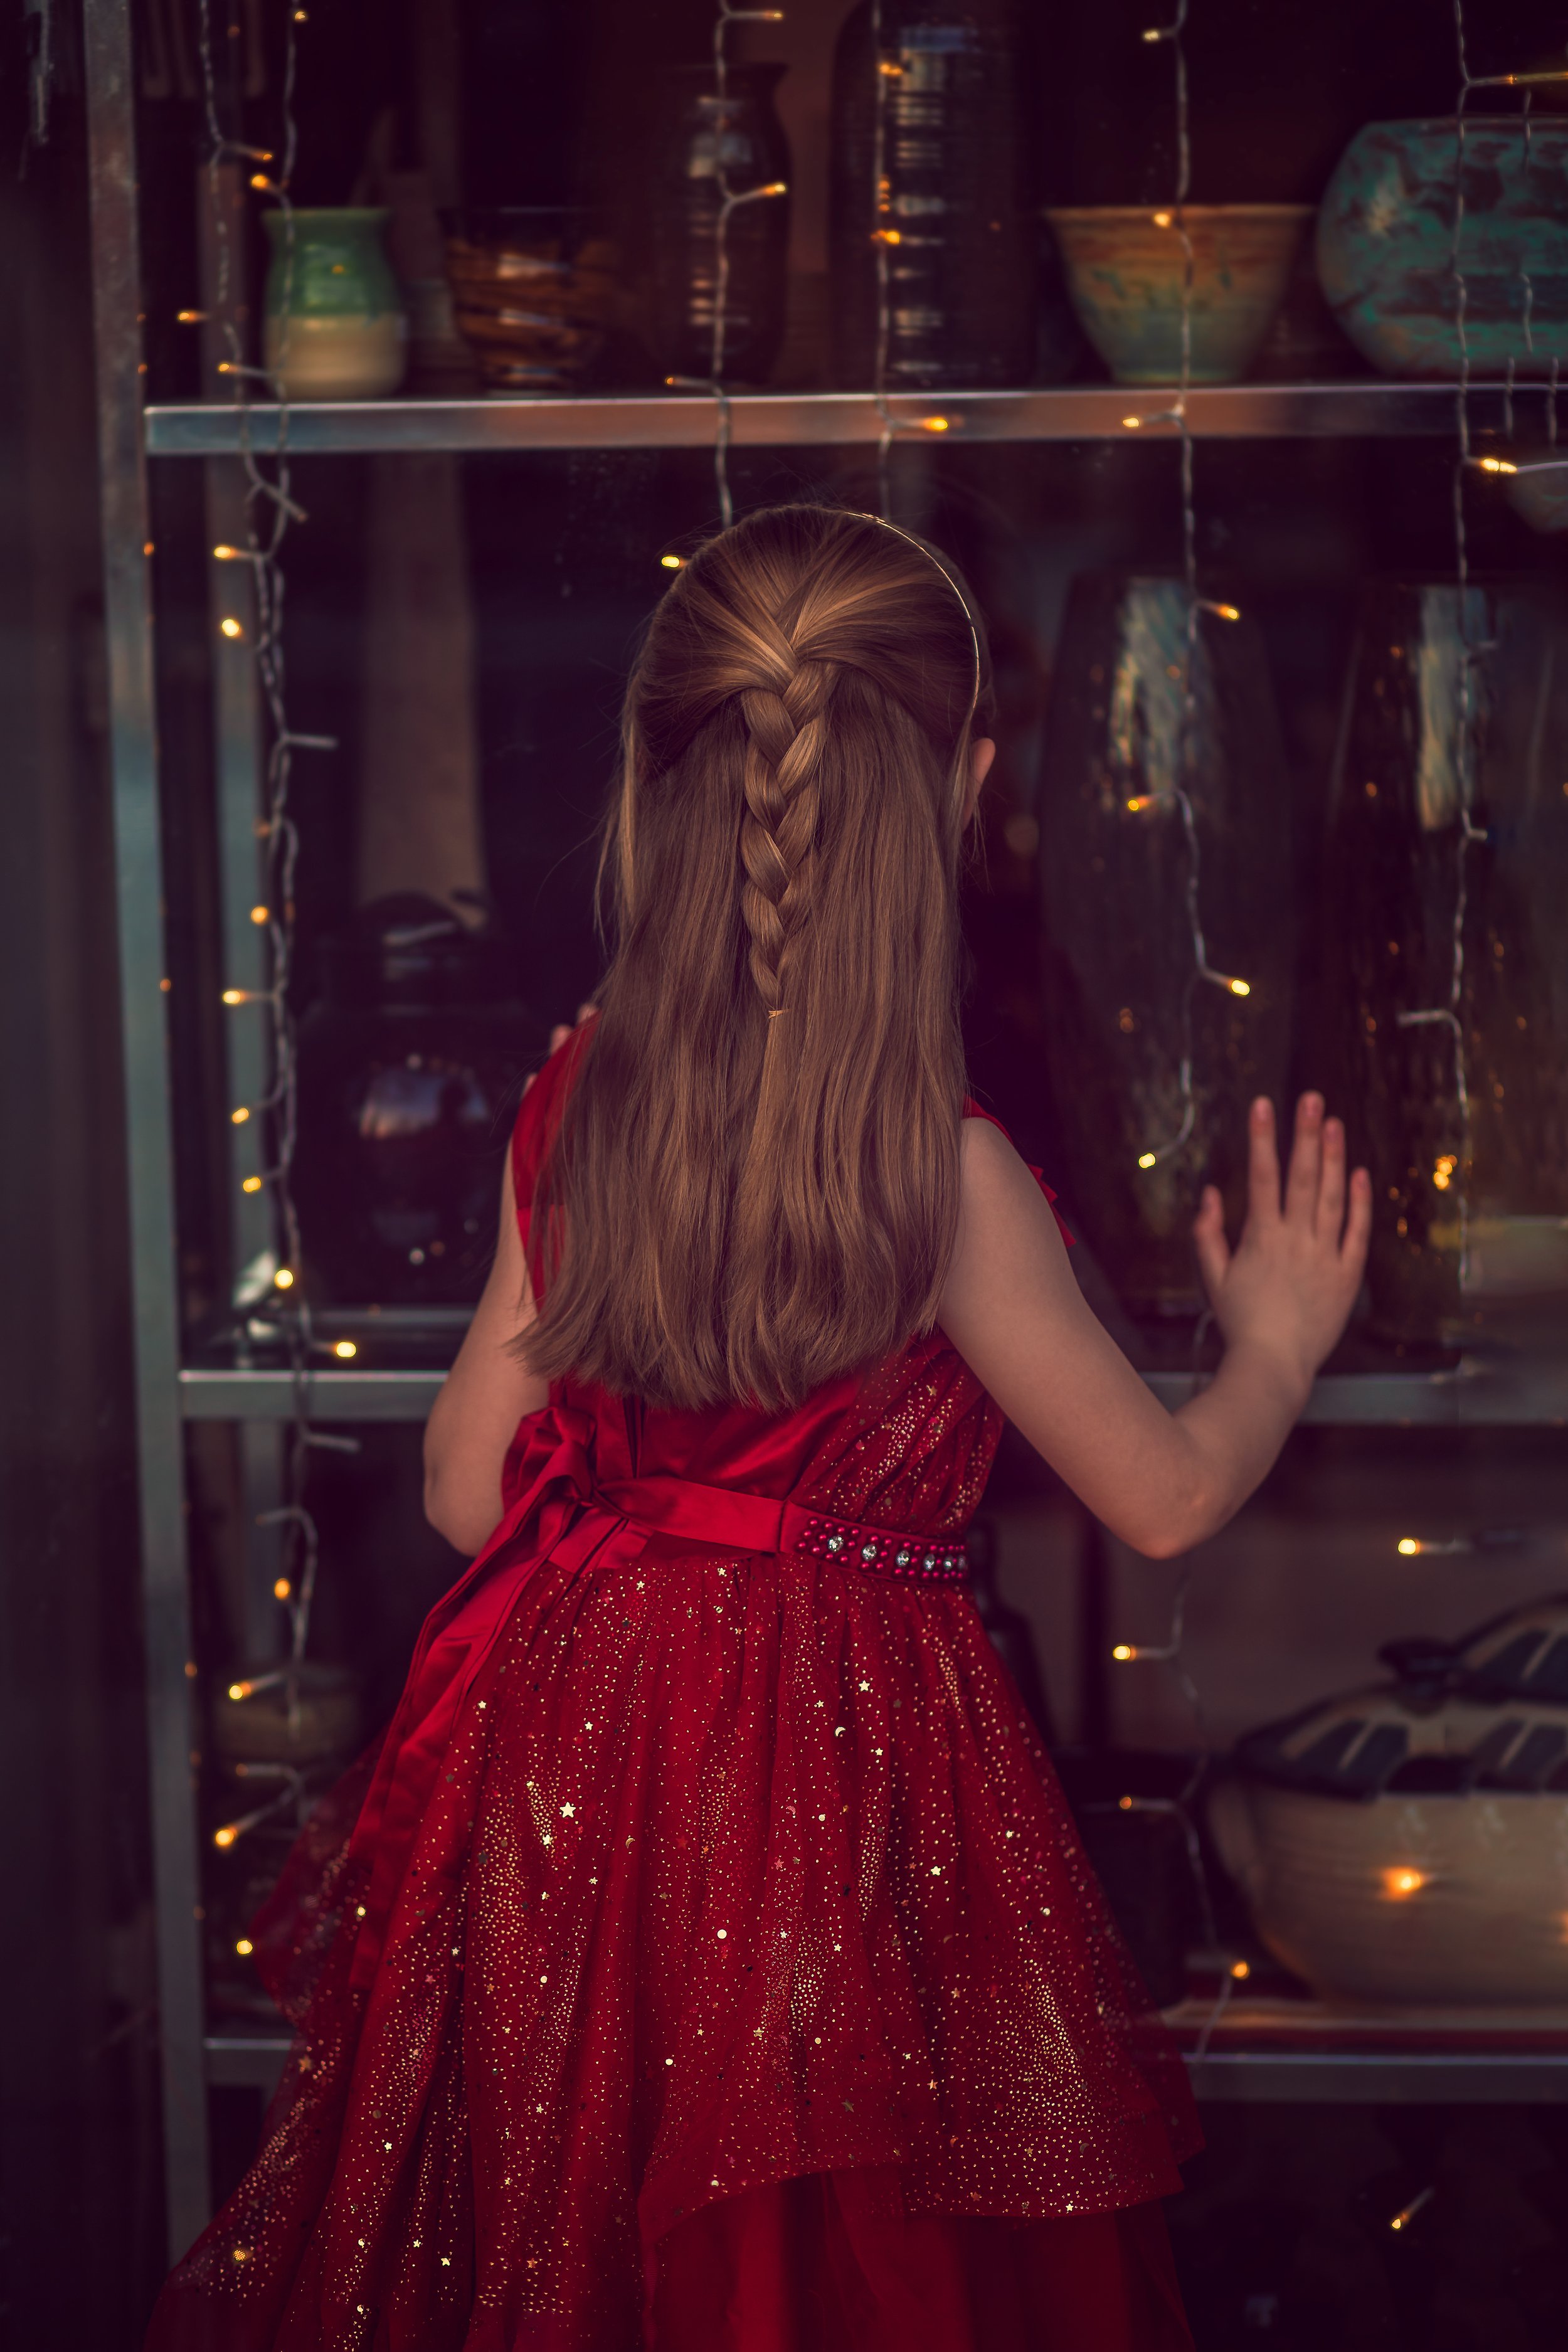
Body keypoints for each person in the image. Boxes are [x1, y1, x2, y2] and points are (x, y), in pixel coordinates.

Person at [147, 504, 1370, 2351]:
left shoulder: (576, 1096)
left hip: (581, 1791)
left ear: (661, 776)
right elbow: (1167, 1494)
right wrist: (1273, 1335)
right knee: (836, 2237)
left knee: (594, 2213)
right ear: (965, 786)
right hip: (850, 1807)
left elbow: (469, 1488)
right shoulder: (944, 1180)